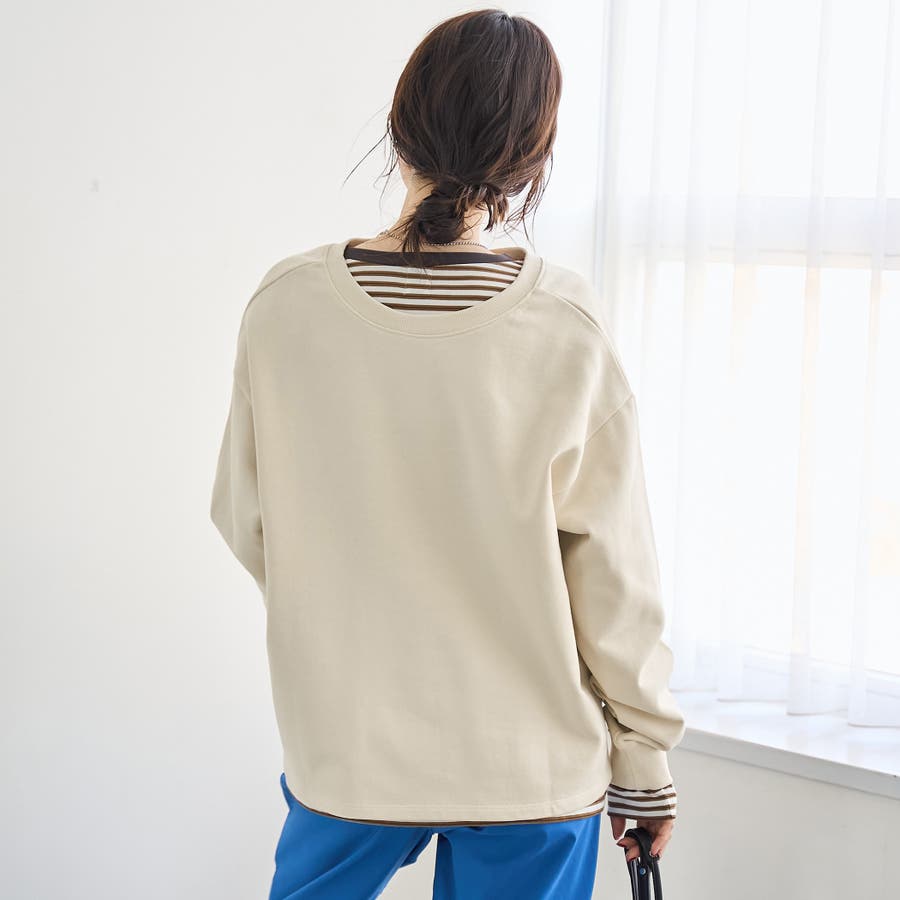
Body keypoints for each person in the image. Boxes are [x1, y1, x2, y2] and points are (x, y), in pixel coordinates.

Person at [209, 8, 685, 899]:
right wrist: (645, 758)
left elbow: (247, 520)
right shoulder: (564, 326)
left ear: (399, 130)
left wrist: (353, 621)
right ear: (533, 161)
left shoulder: (286, 308)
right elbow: (614, 576)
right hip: (532, 766)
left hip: (348, 749)